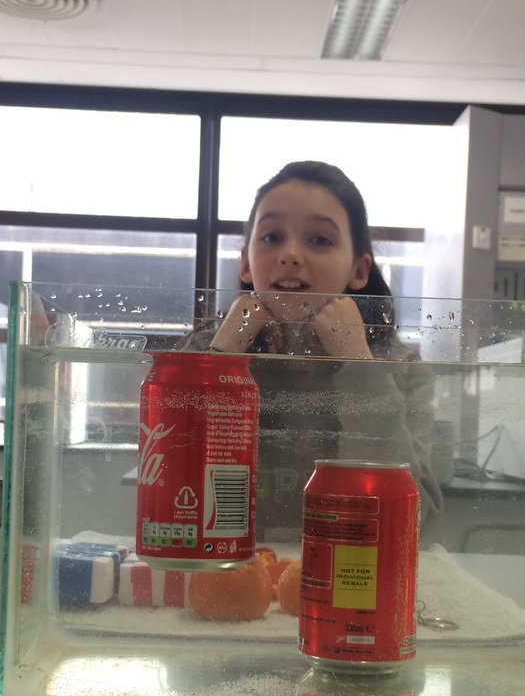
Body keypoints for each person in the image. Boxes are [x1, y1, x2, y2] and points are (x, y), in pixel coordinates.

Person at [179, 160, 441, 540]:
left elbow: (417, 522)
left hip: (351, 571)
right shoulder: (203, 350)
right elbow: (170, 491)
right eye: (271, 238)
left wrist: (359, 363)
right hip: (228, 570)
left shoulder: (401, 366)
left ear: (358, 269)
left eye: (319, 240)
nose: (290, 255)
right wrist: (223, 355)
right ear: (245, 264)